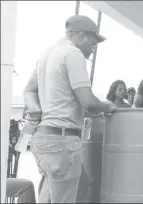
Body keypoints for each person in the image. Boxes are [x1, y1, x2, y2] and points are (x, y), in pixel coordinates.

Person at [23, 15, 116, 203]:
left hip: (43, 139)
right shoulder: (73, 54)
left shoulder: (47, 54)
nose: (92, 49)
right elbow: (88, 102)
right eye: (93, 43)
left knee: (80, 185)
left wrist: (34, 108)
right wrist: (108, 106)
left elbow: (28, 91)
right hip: (62, 142)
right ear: (81, 36)